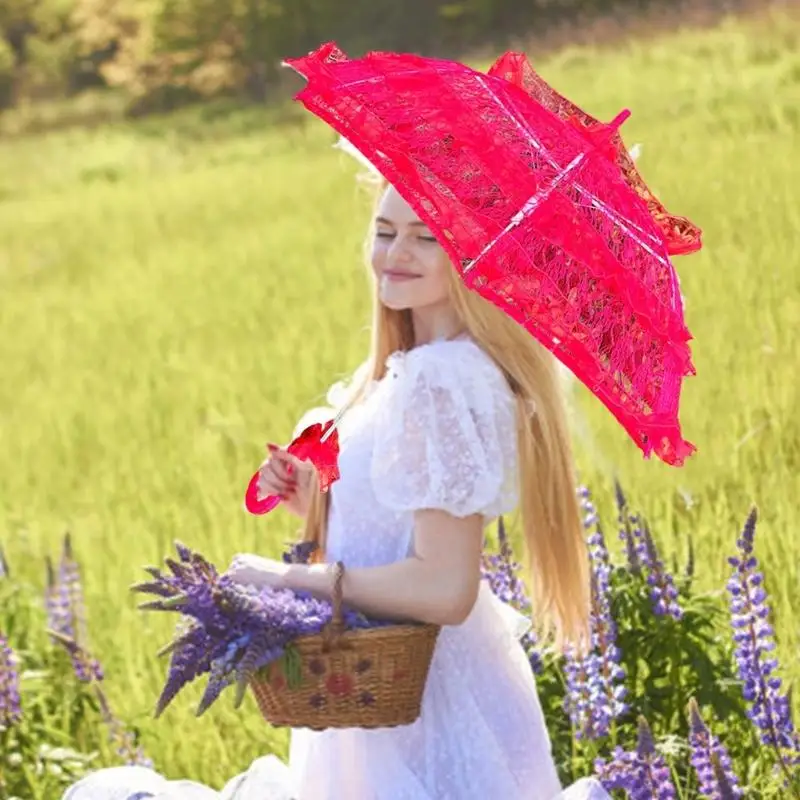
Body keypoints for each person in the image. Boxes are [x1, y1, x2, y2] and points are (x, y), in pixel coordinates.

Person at [63, 178, 611, 800]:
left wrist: (291, 579)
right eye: (384, 231)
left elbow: (444, 587)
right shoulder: (416, 368)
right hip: (380, 694)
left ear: (472, 253)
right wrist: (320, 503)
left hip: (423, 712)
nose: (394, 253)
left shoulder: (441, 381)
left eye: (425, 238)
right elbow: (399, 530)